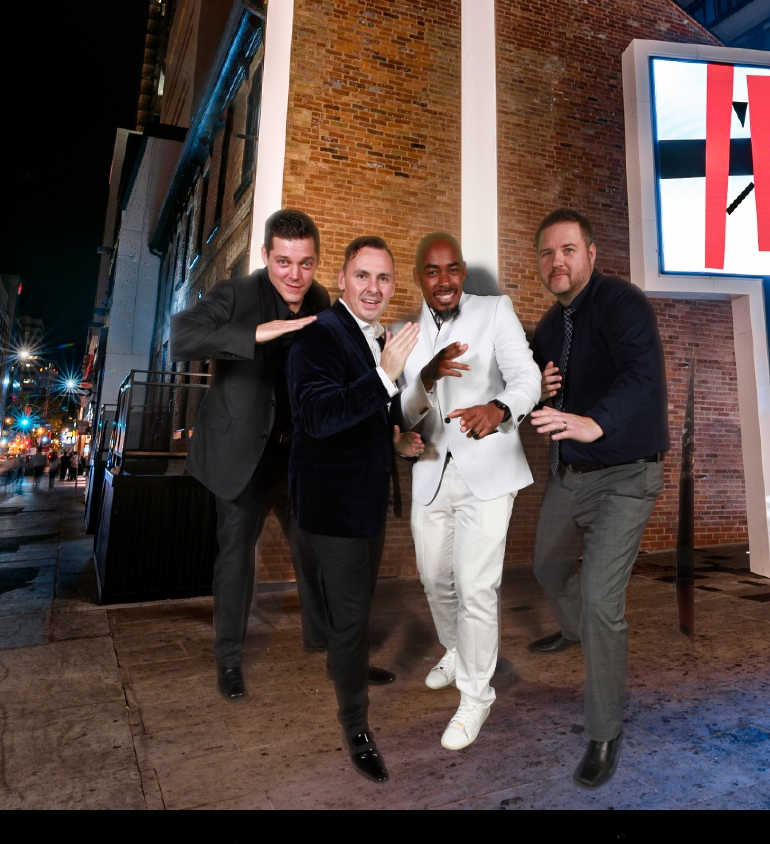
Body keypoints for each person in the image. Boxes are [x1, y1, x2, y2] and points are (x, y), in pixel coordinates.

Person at [526, 208, 669, 791]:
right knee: (547, 566)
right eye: (546, 253)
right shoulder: (547, 326)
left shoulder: (621, 303)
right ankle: (578, 630)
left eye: (567, 250)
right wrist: (535, 388)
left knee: (601, 600)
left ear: (590, 253)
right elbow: (528, 387)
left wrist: (594, 422)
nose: (556, 261)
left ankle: (604, 731)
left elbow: (642, 377)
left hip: (625, 476)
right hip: (571, 476)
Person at [170, 209, 338, 703]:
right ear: (266, 256)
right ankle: (228, 659)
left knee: (314, 548)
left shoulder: (321, 300)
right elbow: (180, 336)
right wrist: (254, 334)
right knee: (236, 558)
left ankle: (327, 643)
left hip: (294, 456)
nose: (295, 275)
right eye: (284, 262)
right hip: (242, 455)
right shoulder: (236, 294)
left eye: (305, 263)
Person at [285, 236, 424, 784]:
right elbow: (319, 417)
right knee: (350, 616)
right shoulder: (318, 335)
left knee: (358, 607)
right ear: (341, 280)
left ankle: (347, 665)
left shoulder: (373, 338)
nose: (373, 287)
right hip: (332, 506)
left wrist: (396, 442)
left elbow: (363, 417)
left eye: (383, 278)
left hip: (366, 500)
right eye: (362, 275)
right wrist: (385, 374)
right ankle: (356, 726)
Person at [397, 232, 541, 751]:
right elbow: (403, 409)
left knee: (477, 587)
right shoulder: (405, 334)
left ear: (461, 271)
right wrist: (426, 378)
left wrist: (498, 409)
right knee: (436, 579)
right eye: (432, 271)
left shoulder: (495, 311)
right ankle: (457, 648)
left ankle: (476, 696)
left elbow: (527, 379)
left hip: (489, 471)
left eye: (452, 268)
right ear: (419, 276)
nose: (445, 280)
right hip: (431, 469)